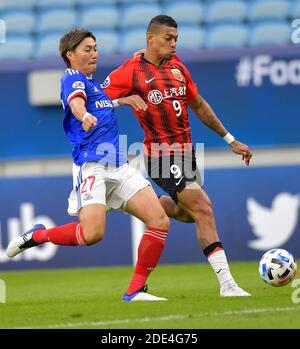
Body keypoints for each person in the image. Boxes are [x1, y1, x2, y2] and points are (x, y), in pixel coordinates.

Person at [6, 28, 171, 302]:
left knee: (159, 220)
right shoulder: (72, 78)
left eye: (95, 47)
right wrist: (82, 116)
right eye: (87, 49)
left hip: (118, 164)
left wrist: (122, 100)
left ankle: (135, 291)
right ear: (70, 55)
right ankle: (39, 236)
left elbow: (101, 103)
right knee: (92, 234)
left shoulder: (94, 85)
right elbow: (77, 103)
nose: (94, 53)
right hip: (91, 165)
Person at [102, 15, 253, 297]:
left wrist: (230, 139)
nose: (173, 44)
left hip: (187, 154)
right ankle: (228, 285)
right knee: (203, 206)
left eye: (176, 39)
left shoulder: (178, 68)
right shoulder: (130, 71)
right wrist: (121, 101)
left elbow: (198, 104)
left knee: (188, 212)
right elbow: (97, 100)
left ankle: (145, 205)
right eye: (168, 38)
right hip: (160, 154)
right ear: (150, 38)